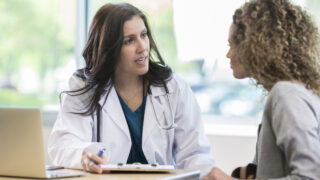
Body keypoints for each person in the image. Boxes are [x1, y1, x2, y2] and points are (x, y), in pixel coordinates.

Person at [48, 2, 215, 177]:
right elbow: (63, 144)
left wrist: (207, 173)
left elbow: (195, 154)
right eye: (129, 40)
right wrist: (83, 154)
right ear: (108, 48)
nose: (142, 47)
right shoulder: (85, 87)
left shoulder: (173, 88)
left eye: (143, 35)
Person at [205, 0, 320, 179]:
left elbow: (311, 175)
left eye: (232, 45)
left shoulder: (286, 94)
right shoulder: (293, 93)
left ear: (255, 45)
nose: (229, 55)